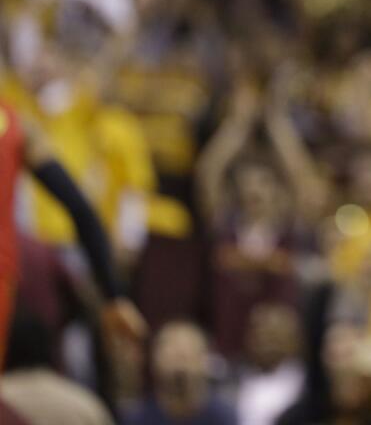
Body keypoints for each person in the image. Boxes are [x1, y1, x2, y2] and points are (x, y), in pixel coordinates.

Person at [0, 101, 145, 370]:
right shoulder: (16, 124)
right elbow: (81, 210)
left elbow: (81, 212)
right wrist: (114, 296)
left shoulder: (16, 126)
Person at [122, 322, 237, 425]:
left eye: (188, 353)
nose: (180, 361)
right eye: (171, 352)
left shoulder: (223, 417)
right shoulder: (137, 418)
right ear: (153, 359)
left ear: (207, 359)